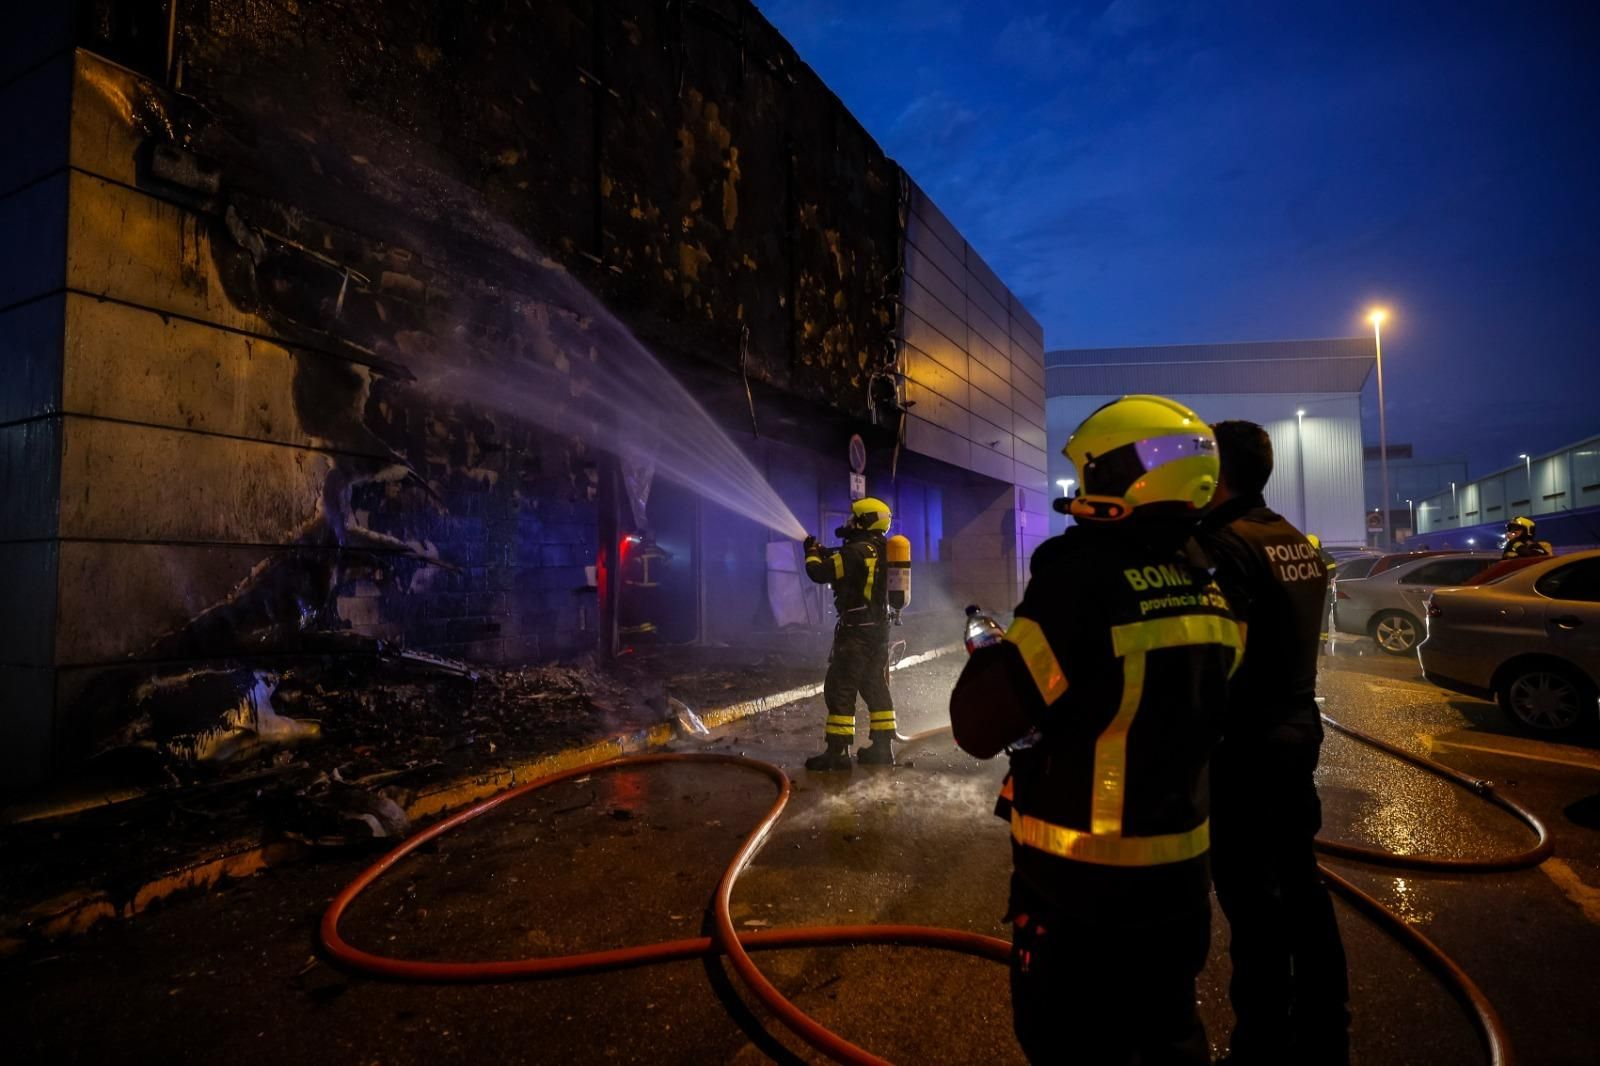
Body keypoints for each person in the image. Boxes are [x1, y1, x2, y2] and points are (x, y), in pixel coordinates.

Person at [949, 395, 1241, 1065]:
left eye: (1089, 473)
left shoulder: (1082, 578)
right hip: (1181, 886)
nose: (1079, 490)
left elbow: (977, 724)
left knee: (1070, 1047)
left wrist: (995, 653)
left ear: (1121, 475)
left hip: (1081, 895)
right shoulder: (1209, 582)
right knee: (1167, 1041)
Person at [1197, 420, 1350, 1065]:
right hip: (1294, 728)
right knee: (1300, 882)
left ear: (1215, 473)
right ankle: (1324, 1027)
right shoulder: (1294, 540)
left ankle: (1261, 1045)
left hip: (1246, 742)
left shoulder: (1224, 545)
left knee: (1253, 900)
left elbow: (1218, 660)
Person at [802, 497, 897, 771]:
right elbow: (843, 559)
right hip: (879, 630)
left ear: (864, 520)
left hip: (856, 632)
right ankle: (882, 747)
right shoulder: (883, 549)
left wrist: (810, 552)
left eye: (854, 517)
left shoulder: (856, 552)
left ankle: (838, 752)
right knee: (874, 685)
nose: (848, 522)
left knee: (840, 687)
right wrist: (824, 550)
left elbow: (819, 572)